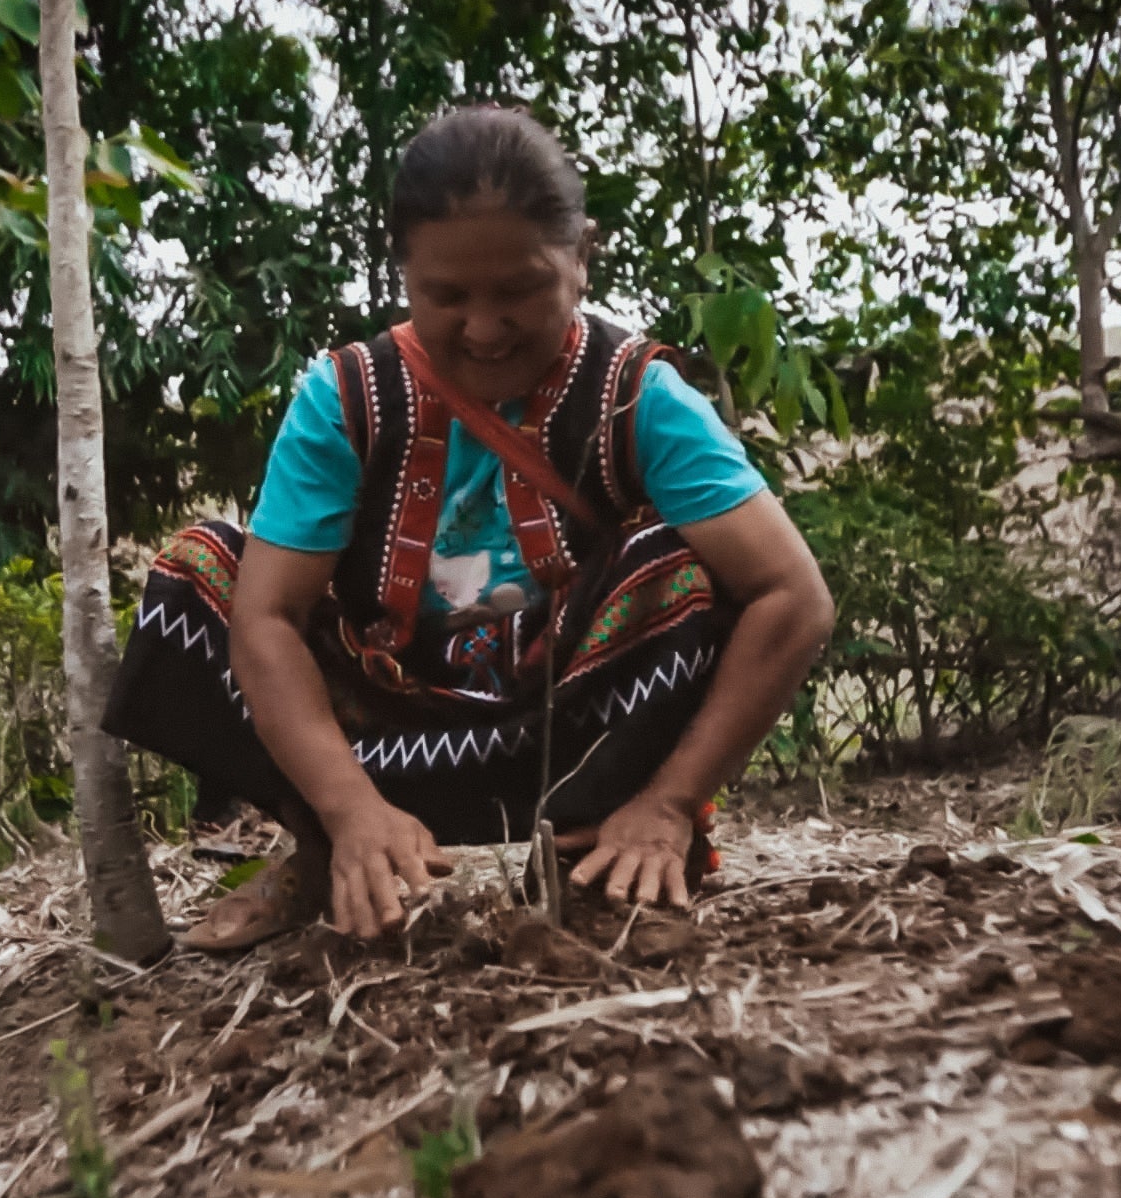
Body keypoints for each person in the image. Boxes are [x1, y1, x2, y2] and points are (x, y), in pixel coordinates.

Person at [105, 105, 834, 949]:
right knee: (207, 575)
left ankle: (595, 853)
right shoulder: (346, 401)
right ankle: (329, 845)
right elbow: (266, 620)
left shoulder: (639, 398)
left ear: (583, 261)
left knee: (685, 563)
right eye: (446, 297)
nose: (485, 329)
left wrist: (671, 800)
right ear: (404, 279)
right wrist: (349, 809)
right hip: (379, 744)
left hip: (566, 737)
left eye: (521, 289)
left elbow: (794, 597)